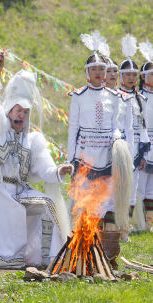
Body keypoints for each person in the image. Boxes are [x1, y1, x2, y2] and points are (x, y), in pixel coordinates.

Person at [0, 52, 73, 269]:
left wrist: (58, 170)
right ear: (9, 110)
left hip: (19, 189)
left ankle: (48, 258)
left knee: (47, 204)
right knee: (14, 209)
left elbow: (45, 169)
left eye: (26, 112)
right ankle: (3, 255)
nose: (22, 115)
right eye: (18, 110)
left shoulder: (32, 139)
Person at [67, 31, 133, 239]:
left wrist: (117, 142)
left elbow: (116, 126)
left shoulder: (115, 97)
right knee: (84, 198)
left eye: (101, 69)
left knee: (104, 200)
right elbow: (73, 129)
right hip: (85, 154)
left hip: (106, 154)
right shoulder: (78, 96)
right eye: (93, 69)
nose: (98, 72)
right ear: (87, 72)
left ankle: (102, 244)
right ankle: (82, 241)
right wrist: (71, 159)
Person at [118, 35, 150, 229]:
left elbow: (143, 126)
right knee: (121, 186)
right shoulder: (115, 97)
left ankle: (126, 225)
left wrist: (143, 151)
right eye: (127, 74)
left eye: (134, 74)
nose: (131, 78)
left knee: (133, 188)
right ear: (121, 75)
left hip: (137, 148)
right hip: (121, 147)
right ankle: (116, 223)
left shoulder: (140, 98)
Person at [136, 41, 153, 231]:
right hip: (143, 145)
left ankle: (149, 223)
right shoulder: (139, 97)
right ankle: (138, 221)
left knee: (152, 187)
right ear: (144, 76)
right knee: (140, 185)